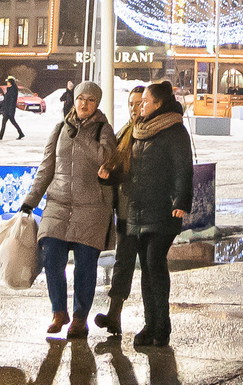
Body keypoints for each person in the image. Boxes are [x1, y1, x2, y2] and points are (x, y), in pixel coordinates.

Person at [23, 82, 117, 341]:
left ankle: (79, 318)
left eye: (89, 100)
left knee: (85, 267)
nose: (83, 104)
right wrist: (31, 200)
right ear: (73, 100)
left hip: (91, 208)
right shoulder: (59, 129)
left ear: (96, 103)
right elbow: (46, 168)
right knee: (51, 257)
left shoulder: (103, 130)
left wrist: (84, 137)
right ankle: (58, 312)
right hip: (58, 204)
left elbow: (108, 159)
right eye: (80, 99)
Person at [110, 80, 191, 350]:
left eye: (144, 101)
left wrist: (181, 200)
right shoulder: (138, 131)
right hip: (138, 208)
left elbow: (183, 169)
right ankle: (150, 324)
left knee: (155, 264)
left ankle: (162, 327)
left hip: (164, 209)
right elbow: (128, 167)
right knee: (146, 268)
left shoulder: (174, 130)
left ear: (158, 104)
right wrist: (111, 175)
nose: (140, 106)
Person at [95, 85, 152, 337]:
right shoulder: (125, 131)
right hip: (126, 209)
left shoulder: (151, 132)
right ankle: (114, 314)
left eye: (140, 103)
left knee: (150, 270)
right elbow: (120, 169)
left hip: (145, 212)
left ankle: (154, 323)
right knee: (122, 263)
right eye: (131, 103)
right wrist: (107, 176)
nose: (135, 107)